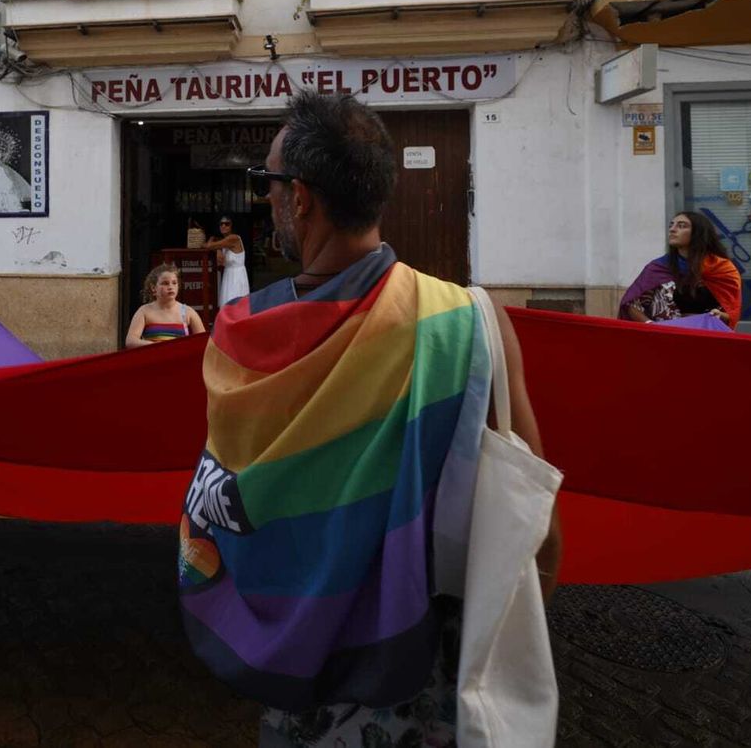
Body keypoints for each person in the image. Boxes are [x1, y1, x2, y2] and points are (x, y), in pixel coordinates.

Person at [179, 92, 561, 747]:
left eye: (269, 185)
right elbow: (536, 525)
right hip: (425, 670)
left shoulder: (244, 340)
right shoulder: (467, 323)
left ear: (299, 198)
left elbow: (228, 512)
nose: (265, 199)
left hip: (300, 686)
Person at [619, 210, 742, 328]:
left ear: (698, 233)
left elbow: (731, 313)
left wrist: (720, 316)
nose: (672, 229)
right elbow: (632, 304)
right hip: (666, 338)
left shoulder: (722, 269)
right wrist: (650, 325)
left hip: (707, 338)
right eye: (671, 225)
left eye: (682, 226)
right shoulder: (659, 267)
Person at [124, 263, 206, 347]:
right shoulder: (144, 311)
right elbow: (130, 341)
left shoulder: (188, 312)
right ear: (153, 288)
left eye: (174, 283)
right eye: (165, 283)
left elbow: (204, 342)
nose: (171, 287)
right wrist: (156, 346)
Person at [201, 215, 250, 307]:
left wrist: (211, 244)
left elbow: (209, 245)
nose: (223, 226)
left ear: (232, 226)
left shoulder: (234, 238)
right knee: (227, 303)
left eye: (227, 224)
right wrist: (218, 250)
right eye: (221, 224)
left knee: (235, 303)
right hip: (229, 274)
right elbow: (217, 244)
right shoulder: (225, 240)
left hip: (236, 276)